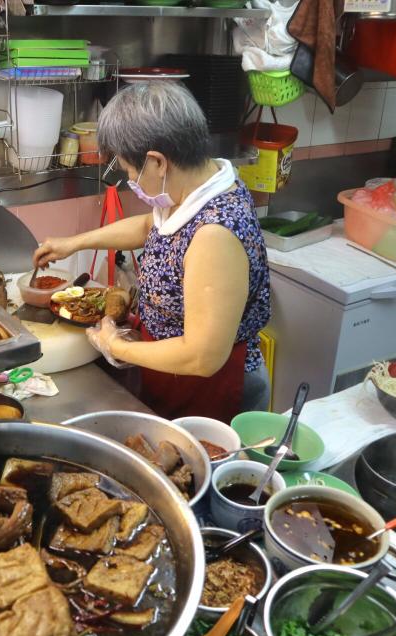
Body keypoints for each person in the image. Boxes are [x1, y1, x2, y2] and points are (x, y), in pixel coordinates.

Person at [32, 82, 272, 422]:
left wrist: (116, 347)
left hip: (214, 389)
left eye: (131, 170)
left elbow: (202, 357)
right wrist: (74, 243)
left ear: (157, 162)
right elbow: (151, 226)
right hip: (172, 375)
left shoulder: (215, 235)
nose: (130, 178)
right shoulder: (197, 184)